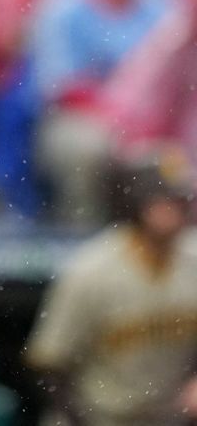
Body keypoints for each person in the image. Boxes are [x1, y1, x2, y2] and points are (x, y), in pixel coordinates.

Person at [25, 159, 197, 426]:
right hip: (99, 416)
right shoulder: (92, 270)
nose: (174, 210)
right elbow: (48, 366)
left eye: (179, 201)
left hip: (168, 417)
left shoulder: (192, 257)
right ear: (140, 205)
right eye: (164, 201)